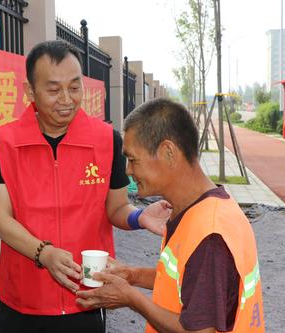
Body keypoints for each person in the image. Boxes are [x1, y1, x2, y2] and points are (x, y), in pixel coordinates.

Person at [0, 40, 171, 332]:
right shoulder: (2, 142)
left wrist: (138, 217)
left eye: (74, 87)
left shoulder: (106, 140)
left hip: (85, 299)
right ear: (30, 91)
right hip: (21, 303)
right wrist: (44, 253)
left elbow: (117, 207)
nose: (67, 99)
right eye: (54, 90)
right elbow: (2, 220)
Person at [76, 98, 264, 333]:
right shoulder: (204, 209)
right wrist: (131, 275)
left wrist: (131, 299)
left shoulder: (210, 235)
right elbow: (189, 282)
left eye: (133, 159)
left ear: (168, 152)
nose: (128, 170)